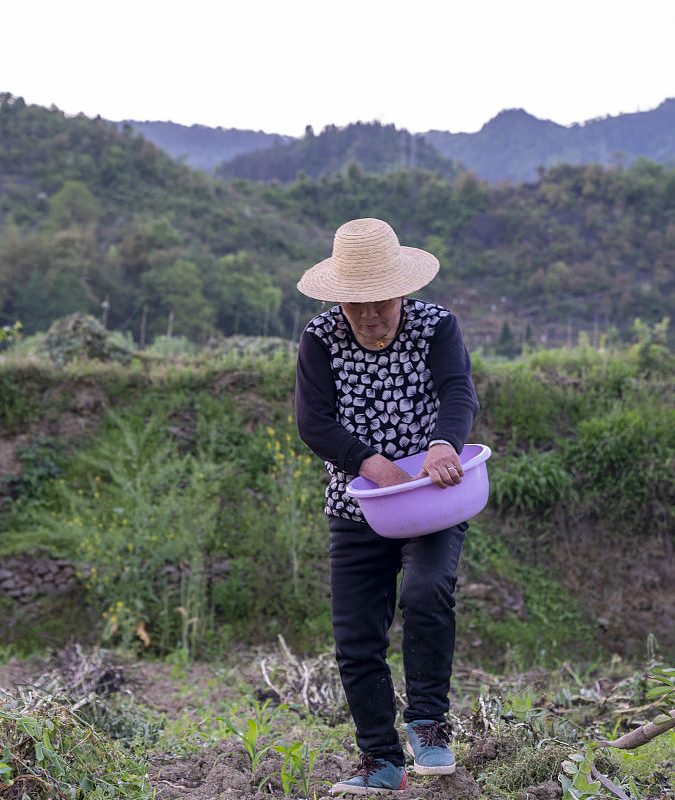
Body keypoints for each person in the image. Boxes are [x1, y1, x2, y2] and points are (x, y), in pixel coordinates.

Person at [294, 218, 480, 795]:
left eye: (381, 303)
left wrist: (443, 442)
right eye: (357, 306)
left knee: (426, 592)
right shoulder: (320, 338)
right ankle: (381, 762)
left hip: (430, 498)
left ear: (401, 290)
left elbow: (458, 390)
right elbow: (313, 422)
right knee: (356, 638)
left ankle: (428, 723)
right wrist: (368, 462)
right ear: (340, 300)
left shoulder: (435, 327)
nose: (371, 316)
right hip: (360, 508)